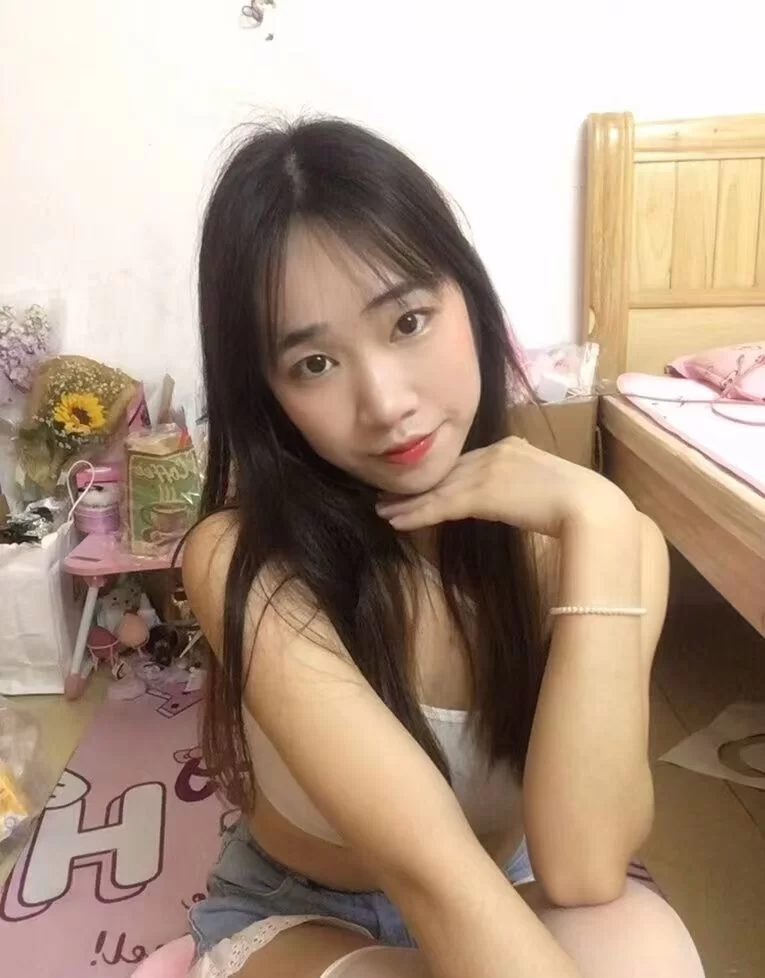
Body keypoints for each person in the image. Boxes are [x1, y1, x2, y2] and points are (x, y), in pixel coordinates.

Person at [181, 118, 705, 978]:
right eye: (314, 364)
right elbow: (432, 877)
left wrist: (602, 520)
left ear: (471, 298)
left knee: (639, 944)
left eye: (408, 320)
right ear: (268, 394)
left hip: (515, 886)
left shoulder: (600, 542)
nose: (385, 402)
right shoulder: (241, 558)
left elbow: (582, 871)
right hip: (302, 914)